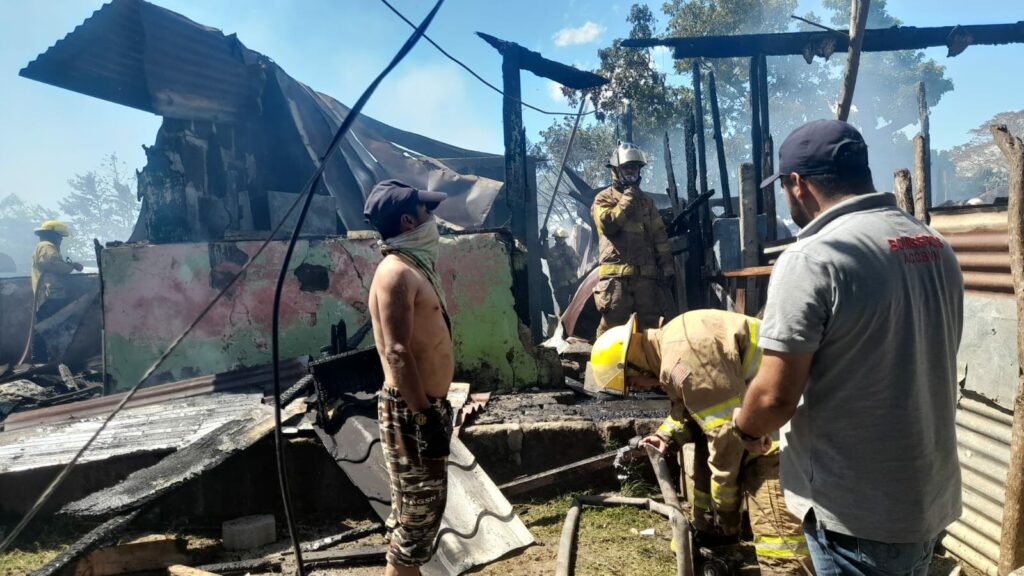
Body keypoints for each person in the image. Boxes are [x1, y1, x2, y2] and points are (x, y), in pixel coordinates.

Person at [733, 120, 964, 576]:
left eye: (783, 188)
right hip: (928, 500)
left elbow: (775, 399)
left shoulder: (813, 258)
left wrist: (743, 429)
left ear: (797, 184)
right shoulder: (933, 244)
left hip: (857, 515)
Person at [587, 310, 813, 575]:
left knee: (779, 541)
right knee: (707, 451)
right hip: (773, 412)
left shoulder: (684, 361)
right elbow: (691, 410)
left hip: (787, 423)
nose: (640, 388)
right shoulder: (672, 343)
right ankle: (715, 538)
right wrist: (664, 436)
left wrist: (727, 511)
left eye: (632, 382)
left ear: (633, 363)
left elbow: (726, 437)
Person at [364, 179, 455, 576]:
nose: (432, 219)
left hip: (423, 409)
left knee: (415, 518)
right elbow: (396, 352)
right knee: (416, 522)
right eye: (425, 212)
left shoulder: (412, 268)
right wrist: (424, 417)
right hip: (412, 412)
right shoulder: (395, 272)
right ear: (407, 222)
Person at [590, 143, 673, 337]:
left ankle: (647, 366)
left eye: (635, 167)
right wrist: (628, 198)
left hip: (645, 278)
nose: (632, 171)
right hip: (616, 280)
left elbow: (659, 235)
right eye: (627, 167)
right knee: (613, 328)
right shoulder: (603, 198)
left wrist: (667, 265)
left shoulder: (646, 202)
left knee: (650, 328)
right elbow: (609, 225)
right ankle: (605, 367)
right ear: (616, 170)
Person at [30, 220, 83, 362]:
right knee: (46, 327)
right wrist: (70, 267)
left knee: (48, 326)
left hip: (49, 294)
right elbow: (51, 263)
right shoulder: (46, 246)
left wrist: (69, 264)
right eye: (59, 237)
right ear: (52, 235)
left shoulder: (44, 246)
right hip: (49, 294)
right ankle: (40, 360)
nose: (60, 240)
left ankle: (44, 359)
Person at [542, 227, 581, 310]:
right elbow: (552, 265)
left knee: (578, 306)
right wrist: (564, 260)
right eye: (559, 238)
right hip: (560, 285)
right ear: (555, 238)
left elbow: (577, 263)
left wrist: (570, 259)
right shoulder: (551, 252)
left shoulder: (570, 249)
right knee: (564, 309)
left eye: (562, 238)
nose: (561, 240)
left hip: (573, 282)